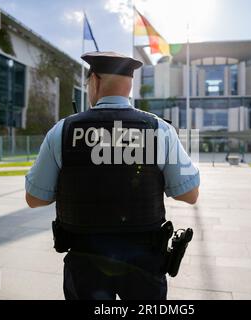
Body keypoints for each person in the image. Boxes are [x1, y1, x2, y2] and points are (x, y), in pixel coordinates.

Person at [25, 51, 200, 300]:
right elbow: (189, 194)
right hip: (145, 262)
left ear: (94, 80)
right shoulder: (160, 129)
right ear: (129, 86)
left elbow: (34, 199)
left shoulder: (62, 131)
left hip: (85, 263)